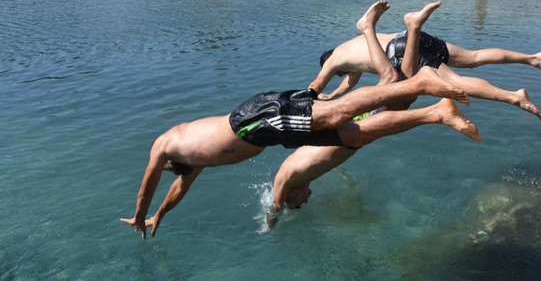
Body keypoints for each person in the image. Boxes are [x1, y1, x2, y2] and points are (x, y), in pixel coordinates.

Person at [120, 66, 475, 239]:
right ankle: (437, 113)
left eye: (173, 170)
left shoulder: (166, 144)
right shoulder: (191, 161)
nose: (181, 176)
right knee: (353, 136)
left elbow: (146, 186)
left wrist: (139, 214)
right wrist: (160, 216)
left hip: (252, 121)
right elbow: (179, 187)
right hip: (268, 134)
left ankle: (419, 82)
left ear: (170, 162)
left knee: (337, 113)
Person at [269, 0, 479, 225]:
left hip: (347, 132)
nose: (307, 199)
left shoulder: (286, 177)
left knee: (392, 83)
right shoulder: (303, 178)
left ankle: (436, 110)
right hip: (346, 135)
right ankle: (411, 32)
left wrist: (269, 224)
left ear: (291, 194)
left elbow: (275, 205)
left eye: (300, 201)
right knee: (402, 95)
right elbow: (318, 157)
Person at [309, 11, 541, 121]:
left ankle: (514, 97)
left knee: (455, 83)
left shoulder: (332, 61)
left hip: (403, 51)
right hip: (406, 38)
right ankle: (534, 58)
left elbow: (316, 85)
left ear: (329, 61)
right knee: (475, 57)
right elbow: (349, 82)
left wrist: (313, 101)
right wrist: (334, 96)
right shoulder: (350, 47)